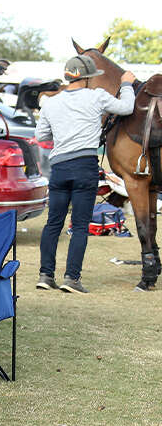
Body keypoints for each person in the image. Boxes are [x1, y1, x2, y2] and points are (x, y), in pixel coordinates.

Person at [36, 55, 136, 293]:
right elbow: (127, 107)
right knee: (80, 226)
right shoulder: (96, 96)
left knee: (53, 223)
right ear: (88, 78)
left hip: (59, 167)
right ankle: (71, 279)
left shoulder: (51, 102)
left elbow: (41, 137)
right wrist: (126, 85)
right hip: (84, 166)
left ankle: (45, 275)